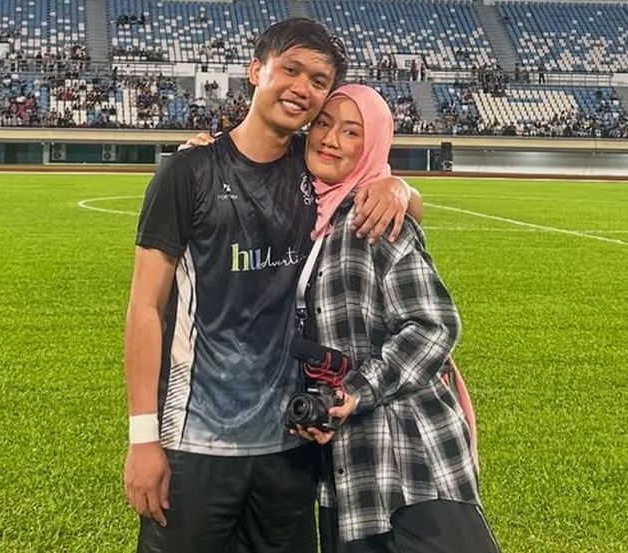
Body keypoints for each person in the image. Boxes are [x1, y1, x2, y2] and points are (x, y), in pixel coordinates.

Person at [124, 18, 421, 553]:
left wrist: (399, 187)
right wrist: (143, 438)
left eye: (318, 80)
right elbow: (145, 307)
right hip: (196, 443)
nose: (302, 88)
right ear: (255, 70)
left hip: (290, 449)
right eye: (290, 69)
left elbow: (371, 181)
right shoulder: (188, 173)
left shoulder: (314, 174)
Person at [293, 84, 501, 553]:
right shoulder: (309, 220)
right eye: (323, 124)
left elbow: (433, 327)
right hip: (346, 476)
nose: (331, 139)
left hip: (412, 460)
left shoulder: (376, 217)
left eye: (352, 132)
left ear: (372, 145)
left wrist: (355, 390)